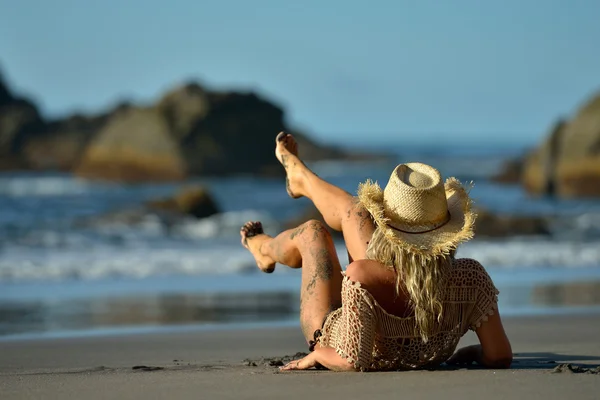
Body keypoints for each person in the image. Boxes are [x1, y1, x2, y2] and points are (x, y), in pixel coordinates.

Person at [240, 132, 513, 372]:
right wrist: (472, 352)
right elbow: (499, 355)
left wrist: (317, 354)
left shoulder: (364, 274)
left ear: (386, 226)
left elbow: (351, 359)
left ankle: (263, 248)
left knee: (313, 232)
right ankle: (300, 178)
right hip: (412, 333)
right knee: (355, 211)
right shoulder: (471, 278)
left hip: (338, 334)